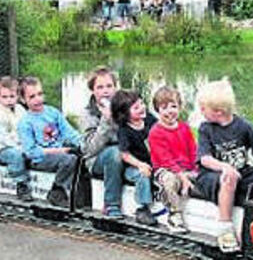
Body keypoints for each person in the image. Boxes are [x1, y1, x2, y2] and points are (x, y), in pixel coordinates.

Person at [195, 80, 253, 253]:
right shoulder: (206, 129)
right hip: (212, 175)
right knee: (229, 177)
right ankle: (225, 228)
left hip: (241, 171)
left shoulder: (245, 126)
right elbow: (205, 159)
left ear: (218, 112)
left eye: (202, 108)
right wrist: (224, 167)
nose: (200, 111)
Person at [18, 76, 83, 207]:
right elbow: (30, 152)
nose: (38, 99)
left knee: (79, 157)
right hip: (40, 158)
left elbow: (69, 132)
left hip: (59, 153)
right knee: (69, 160)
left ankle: (79, 195)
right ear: (23, 100)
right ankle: (57, 191)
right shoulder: (25, 122)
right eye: (32, 97)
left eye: (40, 94)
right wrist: (60, 151)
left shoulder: (53, 112)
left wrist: (84, 144)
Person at [148, 86, 198, 234]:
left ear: (180, 107)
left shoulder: (184, 128)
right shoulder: (155, 132)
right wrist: (183, 177)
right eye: (164, 107)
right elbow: (166, 160)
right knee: (170, 181)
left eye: (174, 106)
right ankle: (174, 216)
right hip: (165, 170)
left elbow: (193, 151)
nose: (170, 111)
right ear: (157, 110)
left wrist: (196, 169)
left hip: (187, 169)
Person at [78, 66, 125, 218]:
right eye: (100, 87)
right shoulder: (87, 114)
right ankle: (111, 204)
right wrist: (107, 120)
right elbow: (89, 149)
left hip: (126, 154)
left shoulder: (126, 107)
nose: (106, 91)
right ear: (93, 90)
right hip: (97, 159)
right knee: (114, 154)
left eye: (109, 86)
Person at [111, 89, 157, 226]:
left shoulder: (149, 119)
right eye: (136, 107)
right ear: (124, 113)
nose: (142, 108)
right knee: (142, 175)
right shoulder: (124, 130)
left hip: (153, 161)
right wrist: (139, 165)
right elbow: (124, 154)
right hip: (133, 166)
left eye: (142, 104)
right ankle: (143, 208)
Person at [0, 76, 32, 201]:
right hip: (2, 149)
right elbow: (2, 137)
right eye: (5, 97)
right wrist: (20, 147)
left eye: (12, 97)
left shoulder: (20, 110)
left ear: (18, 96)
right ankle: (21, 184)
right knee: (15, 155)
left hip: (21, 144)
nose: (9, 100)